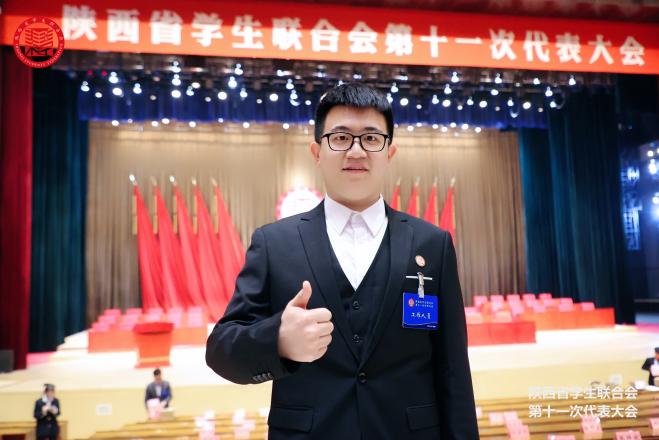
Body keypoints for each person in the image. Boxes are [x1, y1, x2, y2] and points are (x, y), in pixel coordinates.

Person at [206, 83, 478, 439]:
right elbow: (221, 349)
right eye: (341, 138)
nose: (356, 151)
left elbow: (453, 370)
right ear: (317, 151)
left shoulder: (432, 244)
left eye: (371, 138)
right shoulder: (274, 243)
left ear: (390, 152)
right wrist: (278, 340)